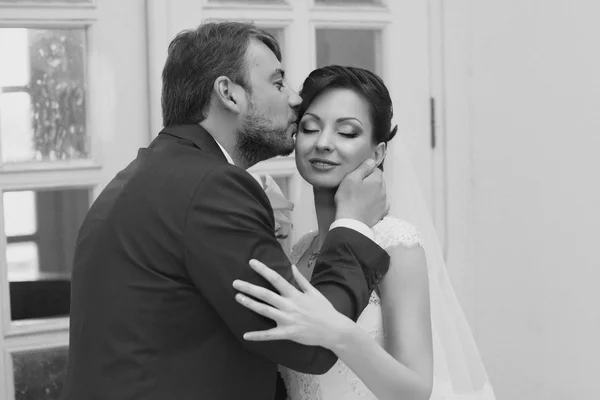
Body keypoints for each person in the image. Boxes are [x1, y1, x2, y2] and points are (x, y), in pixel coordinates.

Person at [61, 23, 391, 400]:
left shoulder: (142, 176)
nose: (296, 100)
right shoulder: (213, 188)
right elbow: (310, 345)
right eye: (279, 83)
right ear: (229, 93)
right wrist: (353, 225)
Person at [232, 66, 497, 400]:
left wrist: (338, 331)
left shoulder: (396, 244)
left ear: (377, 153)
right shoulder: (298, 250)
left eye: (347, 133)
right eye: (311, 128)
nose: (324, 143)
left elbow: (415, 391)